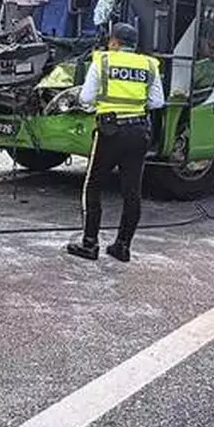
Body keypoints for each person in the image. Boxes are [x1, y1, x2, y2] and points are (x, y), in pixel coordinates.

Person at [67, 22, 164, 263]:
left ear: (113, 42)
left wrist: (98, 104)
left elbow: (86, 97)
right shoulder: (149, 65)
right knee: (132, 191)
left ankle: (89, 244)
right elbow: (157, 102)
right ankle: (122, 246)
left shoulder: (103, 61)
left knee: (93, 185)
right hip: (139, 132)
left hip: (110, 132)